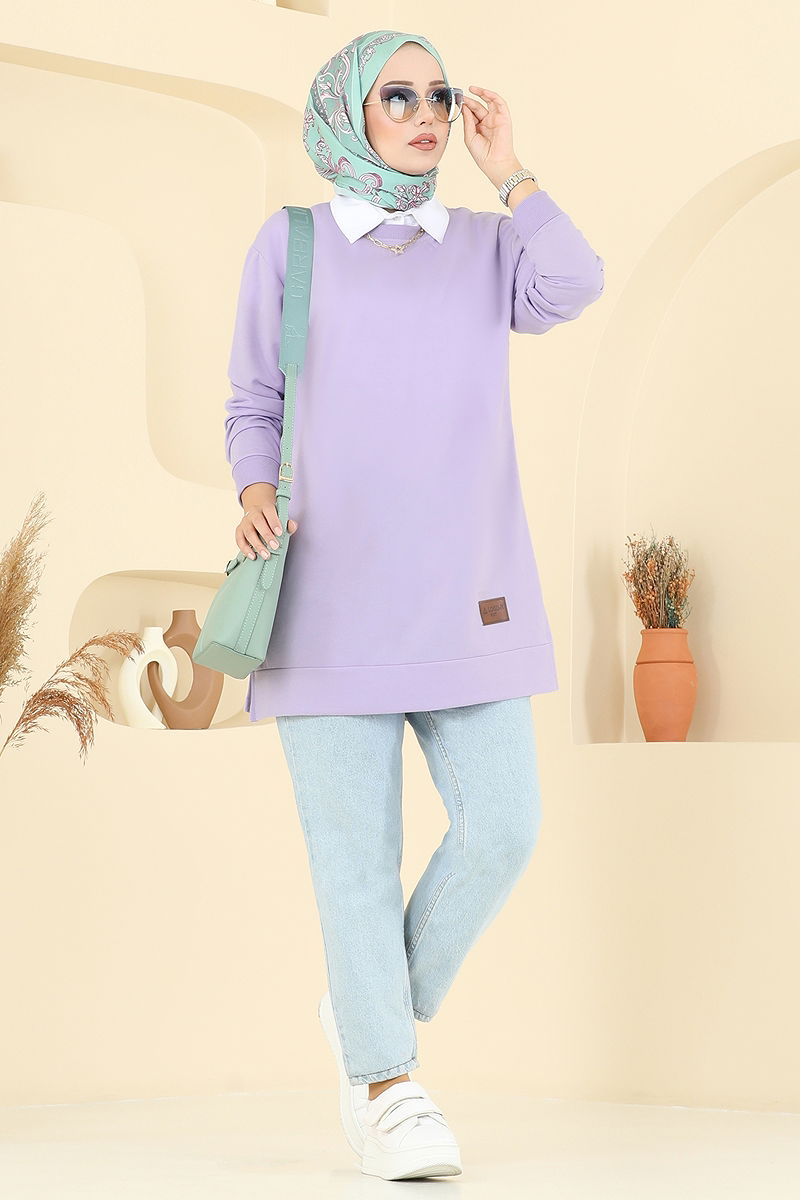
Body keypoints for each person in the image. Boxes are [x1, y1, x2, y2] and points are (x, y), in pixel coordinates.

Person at [222, 29, 605, 1181]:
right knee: (355, 860)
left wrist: (510, 170)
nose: (426, 112)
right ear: (347, 110)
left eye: (438, 94)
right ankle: (386, 1085)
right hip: (325, 600)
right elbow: (252, 394)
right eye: (398, 95)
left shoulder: (484, 245)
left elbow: (574, 281)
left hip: (466, 597)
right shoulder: (291, 242)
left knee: (504, 827)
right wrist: (252, 492)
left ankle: (367, 1002)